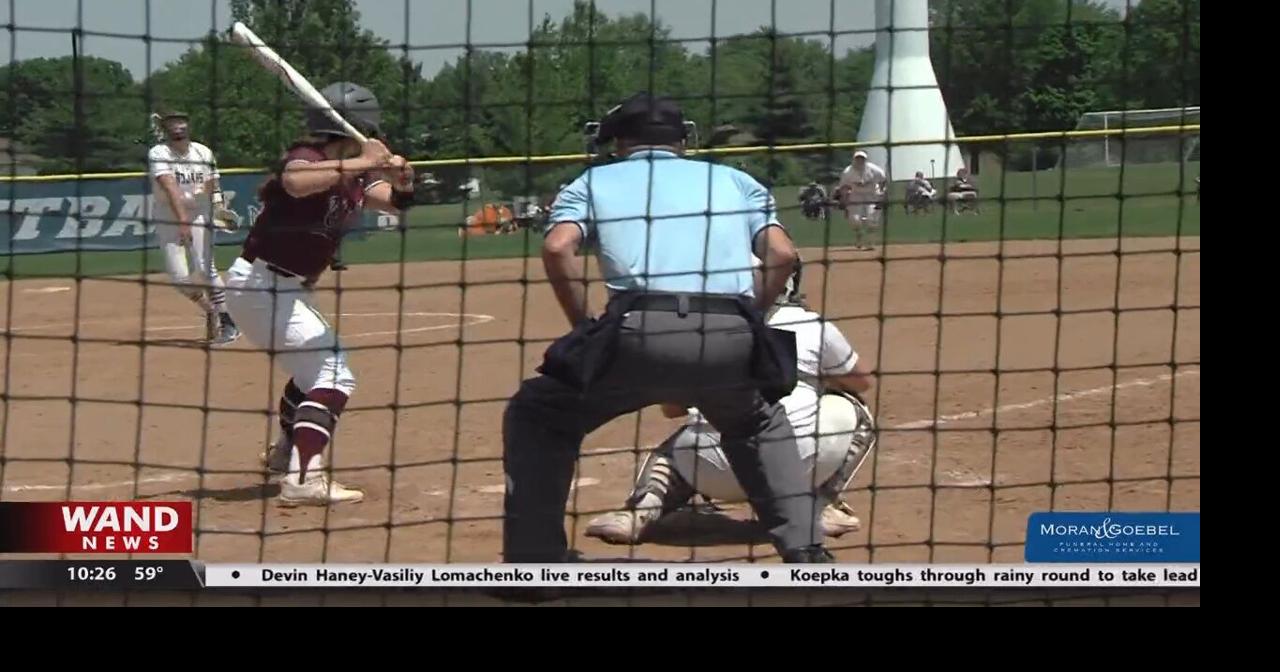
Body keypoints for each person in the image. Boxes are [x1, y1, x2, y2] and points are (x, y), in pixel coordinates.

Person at [502, 92, 832, 564]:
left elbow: (557, 248)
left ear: (617, 141)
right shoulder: (734, 179)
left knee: (538, 415)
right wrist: (750, 318)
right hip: (728, 335)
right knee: (756, 421)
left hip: (638, 332)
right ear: (684, 139)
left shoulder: (593, 181)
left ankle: (536, 563)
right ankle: (806, 552)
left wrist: (585, 330)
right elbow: (782, 255)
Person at [586, 258, 877, 544]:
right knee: (855, 408)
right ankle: (820, 507)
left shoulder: (701, 327)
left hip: (708, 469)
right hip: (794, 468)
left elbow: (671, 408)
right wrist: (813, 379)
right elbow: (862, 382)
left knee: (682, 442)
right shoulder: (812, 325)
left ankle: (638, 512)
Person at [229, 82, 416, 506]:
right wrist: (367, 159)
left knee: (314, 371)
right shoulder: (308, 158)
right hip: (262, 284)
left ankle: (284, 455)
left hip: (284, 289)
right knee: (333, 374)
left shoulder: (353, 175)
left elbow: (394, 203)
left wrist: (402, 181)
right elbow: (296, 182)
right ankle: (303, 479)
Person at [147, 110, 240, 345]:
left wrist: (218, 208)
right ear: (165, 128)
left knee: (205, 268)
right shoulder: (159, 153)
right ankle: (210, 309)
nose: (178, 125)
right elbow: (170, 189)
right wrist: (181, 222)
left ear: (188, 125)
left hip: (200, 213)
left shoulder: (203, 152)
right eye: (172, 122)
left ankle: (229, 322)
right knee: (179, 278)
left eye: (181, 121)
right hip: (169, 215)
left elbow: (212, 182)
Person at [836, 150, 887, 250]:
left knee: (872, 219)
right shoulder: (848, 172)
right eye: (858, 158)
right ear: (854, 159)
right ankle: (859, 234)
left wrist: (882, 194)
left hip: (872, 195)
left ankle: (870, 242)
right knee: (855, 220)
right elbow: (843, 187)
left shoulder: (874, 169)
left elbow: (884, 180)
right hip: (856, 195)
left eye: (862, 158)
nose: (860, 161)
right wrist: (844, 200)